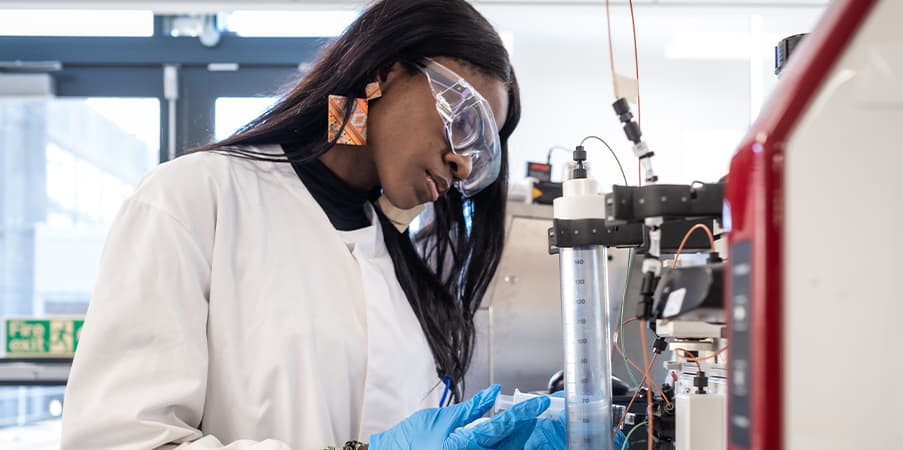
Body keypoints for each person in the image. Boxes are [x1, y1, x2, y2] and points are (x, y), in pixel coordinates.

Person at [59, 0, 567, 448]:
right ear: (385, 74)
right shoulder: (195, 198)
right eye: (464, 121)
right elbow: (119, 438)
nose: (463, 164)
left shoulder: (394, 263)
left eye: (482, 151)